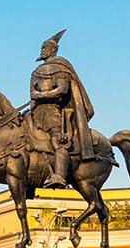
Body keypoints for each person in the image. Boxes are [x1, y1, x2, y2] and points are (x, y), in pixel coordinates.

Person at [29, 29, 95, 189]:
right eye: (42, 47)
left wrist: (42, 95)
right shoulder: (36, 71)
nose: (42, 50)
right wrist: (37, 96)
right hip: (36, 111)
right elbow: (32, 93)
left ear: (53, 50)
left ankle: (59, 176)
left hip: (52, 111)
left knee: (57, 141)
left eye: (45, 47)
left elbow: (62, 89)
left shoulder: (60, 68)